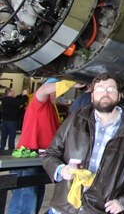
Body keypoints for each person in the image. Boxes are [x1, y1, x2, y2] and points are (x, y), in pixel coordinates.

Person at [42, 73, 124, 214]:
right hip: (63, 207)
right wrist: (60, 170)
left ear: (119, 96)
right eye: (100, 89)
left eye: (111, 89)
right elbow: (51, 153)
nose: (105, 93)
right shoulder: (75, 119)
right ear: (92, 96)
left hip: (101, 210)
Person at [9, 79, 77, 214]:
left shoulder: (52, 109)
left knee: (34, 200)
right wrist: (72, 82)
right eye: (55, 91)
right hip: (28, 158)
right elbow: (42, 91)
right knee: (25, 202)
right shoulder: (39, 104)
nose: (57, 94)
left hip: (42, 159)